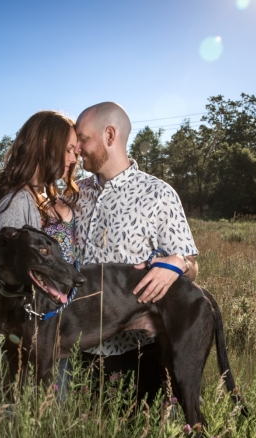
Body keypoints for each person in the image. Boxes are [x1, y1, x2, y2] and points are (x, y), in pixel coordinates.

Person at [73, 102, 199, 397]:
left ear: (109, 135)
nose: (77, 148)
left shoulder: (159, 194)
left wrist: (177, 263)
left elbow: (191, 267)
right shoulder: (73, 193)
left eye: (83, 138)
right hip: (76, 349)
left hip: (138, 354)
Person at [0, 109, 79, 398]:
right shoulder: (17, 199)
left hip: (60, 319)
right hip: (38, 332)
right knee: (40, 408)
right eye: (69, 149)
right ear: (47, 145)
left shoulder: (43, 193)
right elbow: (6, 277)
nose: (74, 158)